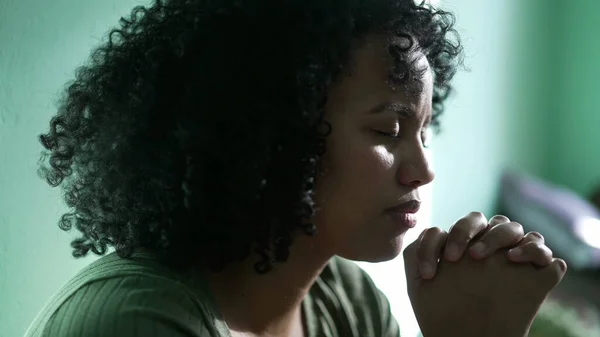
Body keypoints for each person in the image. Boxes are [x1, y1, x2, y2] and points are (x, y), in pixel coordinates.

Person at [26, 0, 566, 336]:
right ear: (271, 133)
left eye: (424, 131)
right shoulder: (132, 324)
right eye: (387, 132)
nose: (422, 171)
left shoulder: (349, 303)